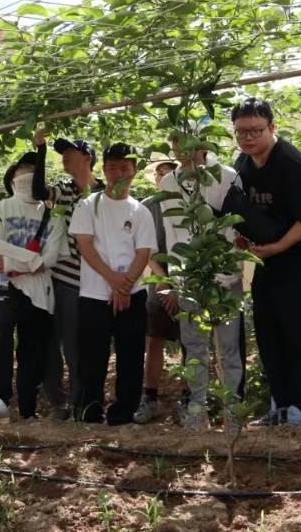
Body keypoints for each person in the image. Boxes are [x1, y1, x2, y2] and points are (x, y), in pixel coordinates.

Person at [228, 97, 301, 427]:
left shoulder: (290, 162)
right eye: (241, 131)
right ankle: (279, 405)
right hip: (270, 255)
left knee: (298, 327)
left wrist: (278, 246)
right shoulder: (242, 165)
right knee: (267, 324)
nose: (248, 138)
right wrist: (245, 241)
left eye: (256, 130)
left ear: (272, 128)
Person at [153, 135, 247, 430]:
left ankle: (233, 416)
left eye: (190, 144)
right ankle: (197, 412)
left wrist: (231, 269)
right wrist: (177, 276)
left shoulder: (227, 176)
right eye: (178, 144)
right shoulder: (168, 183)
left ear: (204, 146)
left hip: (225, 275)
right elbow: (172, 232)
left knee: (229, 349)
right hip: (189, 278)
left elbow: (238, 227)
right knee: (194, 349)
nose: (183, 151)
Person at [0, 152, 67, 424]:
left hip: (40, 291)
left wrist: (13, 262)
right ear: (12, 180)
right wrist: (28, 259)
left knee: (32, 346)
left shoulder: (54, 215)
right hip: (6, 285)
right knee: (2, 333)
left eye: (34, 172)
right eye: (22, 172)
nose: (28, 177)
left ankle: (28, 407)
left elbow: (50, 258)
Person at [70, 143, 157, 425]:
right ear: (103, 169)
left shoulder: (140, 211)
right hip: (94, 293)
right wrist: (114, 281)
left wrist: (126, 285)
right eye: (111, 167)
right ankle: (89, 411)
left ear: (134, 170)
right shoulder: (88, 205)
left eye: (124, 167)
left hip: (133, 294)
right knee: (92, 357)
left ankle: (124, 413)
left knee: (130, 356)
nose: (117, 173)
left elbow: (143, 251)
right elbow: (85, 246)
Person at [31, 132, 105, 419]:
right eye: (61, 153)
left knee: (78, 343)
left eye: (70, 153)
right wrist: (40, 150)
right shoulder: (63, 190)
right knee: (53, 342)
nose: (63, 157)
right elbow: (39, 191)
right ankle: (59, 402)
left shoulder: (103, 193)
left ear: (87, 158)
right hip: (63, 278)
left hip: (95, 278)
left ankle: (78, 401)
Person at [132, 159, 183, 424]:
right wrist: (164, 281)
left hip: (188, 284)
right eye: (159, 173)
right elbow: (144, 248)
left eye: (169, 172)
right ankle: (149, 398)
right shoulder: (146, 207)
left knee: (191, 341)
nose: (164, 177)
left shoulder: (189, 203)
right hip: (158, 285)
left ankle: (191, 401)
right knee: (154, 340)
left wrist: (179, 283)